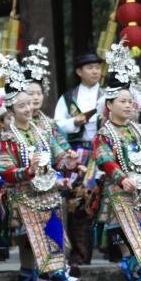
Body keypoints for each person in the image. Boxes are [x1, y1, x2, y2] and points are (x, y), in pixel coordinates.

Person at [0, 53, 89, 281]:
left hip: (49, 198)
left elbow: (58, 155)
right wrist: (28, 170)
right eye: (22, 104)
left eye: (32, 100)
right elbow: (5, 172)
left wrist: (68, 161)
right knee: (35, 256)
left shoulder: (43, 129)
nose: (30, 106)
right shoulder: (8, 138)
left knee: (51, 251)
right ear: (11, 109)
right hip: (25, 202)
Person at [92, 41, 141, 281]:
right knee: (134, 249)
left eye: (131, 101)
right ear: (109, 104)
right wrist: (122, 178)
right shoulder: (104, 134)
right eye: (123, 101)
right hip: (120, 201)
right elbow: (104, 160)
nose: (129, 105)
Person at [54, 49, 103, 265]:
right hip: (80, 153)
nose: (95, 71)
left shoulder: (109, 95)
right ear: (79, 72)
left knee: (109, 199)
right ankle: (81, 255)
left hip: (104, 151)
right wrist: (74, 122)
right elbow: (56, 125)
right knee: (79, 200)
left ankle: (117, 251)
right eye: (90, 68)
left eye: (98, 67)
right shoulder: (68, 98)